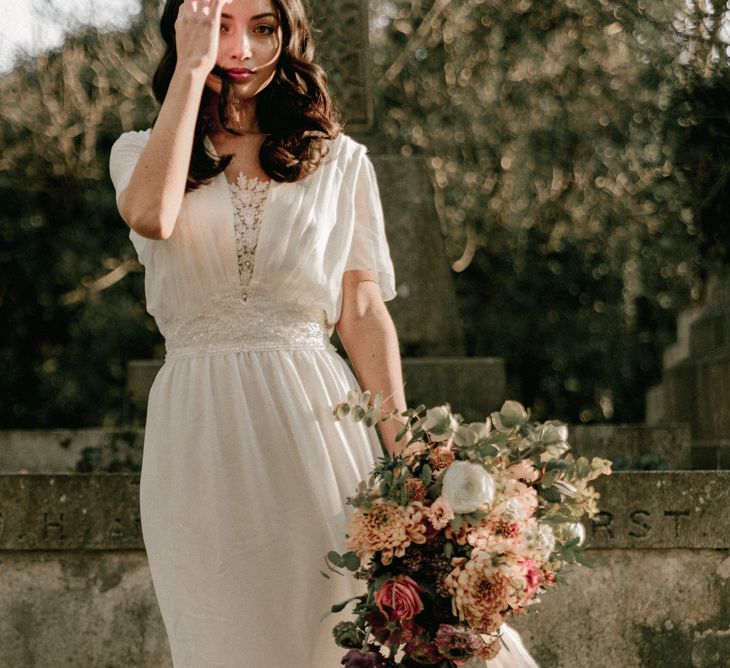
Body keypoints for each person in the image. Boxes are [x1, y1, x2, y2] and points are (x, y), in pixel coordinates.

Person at [108, 0, 539, 665]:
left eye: (262, 28)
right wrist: (192, 74)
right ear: (183, 29)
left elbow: (362, 311)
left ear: (289, 37)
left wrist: (408, 456)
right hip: (198, 430)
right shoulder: (141, 151)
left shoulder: (338, 162)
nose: (242, 48)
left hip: (316, 419)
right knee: (220, 635)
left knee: (336, 629)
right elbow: (150, 215)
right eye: (221, 24)